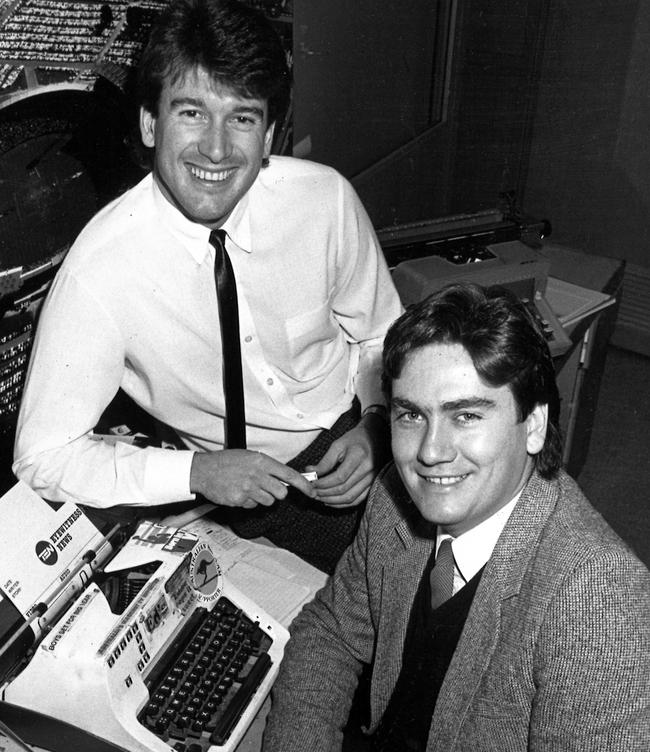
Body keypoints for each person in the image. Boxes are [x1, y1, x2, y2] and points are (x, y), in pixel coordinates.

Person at [260, 282, 649, 752]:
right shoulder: (396, 497)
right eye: (411, 415)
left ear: (535, 425)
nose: (430, 452)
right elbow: (332, 631)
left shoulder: (599, 603)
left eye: (466, 415)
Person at [12, 0, 402, 573]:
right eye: (191, 113)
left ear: (269, 134)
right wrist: (195, 473)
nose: (216, 149)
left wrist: (377, 426)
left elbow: (384, 335)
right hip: (229, 493)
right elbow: (40, 458)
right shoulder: (99, 270)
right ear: (150, 123)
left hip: (359, 439)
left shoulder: (324, 200)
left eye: (242, 118)